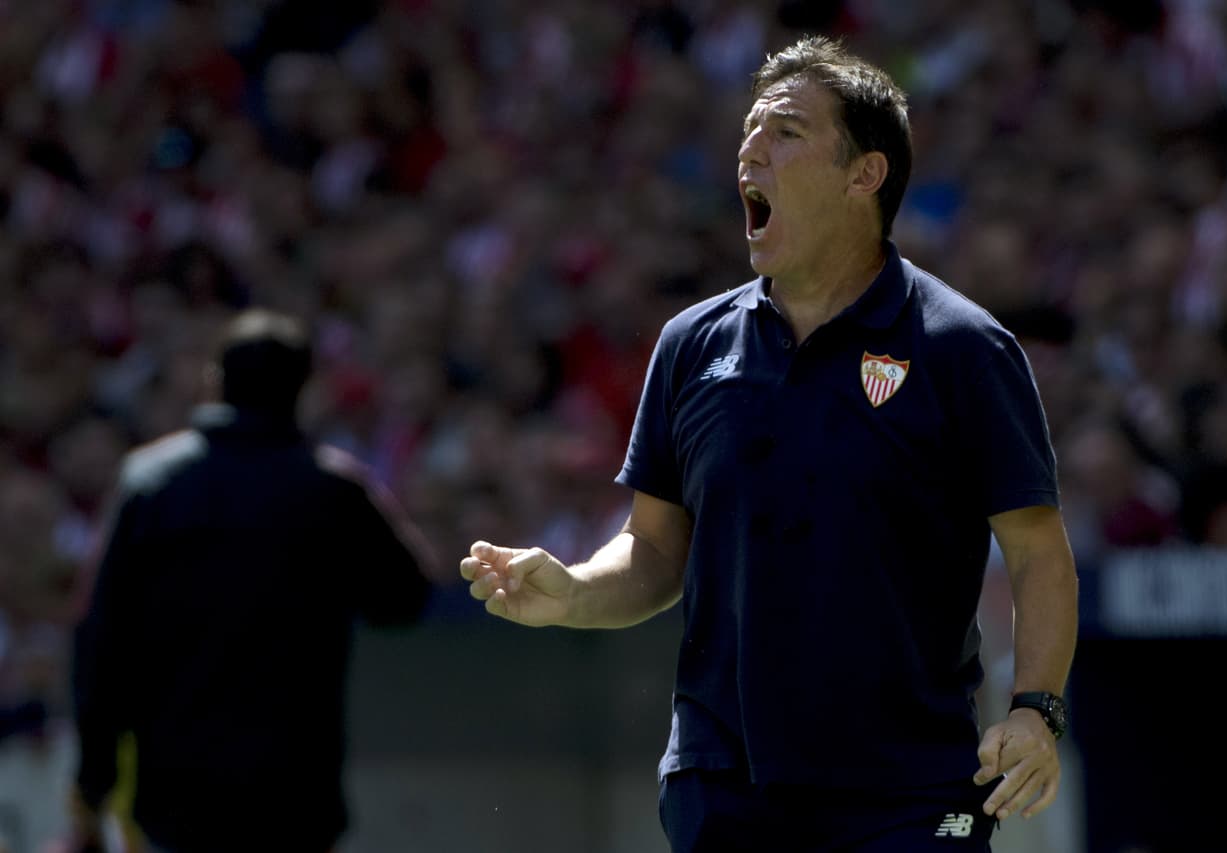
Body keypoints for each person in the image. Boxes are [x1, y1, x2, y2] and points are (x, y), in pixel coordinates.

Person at [462, 35, 1078, 852]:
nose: (750, 148)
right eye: (749, 129)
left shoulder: (964, 347)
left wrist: (1036, 711)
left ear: (866, 174)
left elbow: (1038, 554)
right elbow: (652, 550)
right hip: (723, 784)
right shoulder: (690, 343)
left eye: (785, 131)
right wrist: (572, 589)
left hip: (910, 788)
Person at [67, 308, 441, 853]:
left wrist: (92, 783)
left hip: (175, 793)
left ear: (215, 381)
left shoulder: (149, 485)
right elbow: (405, 599)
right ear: (303, 388)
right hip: (295, 795)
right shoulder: (333, 488)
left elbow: (100, 643)